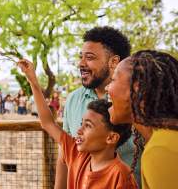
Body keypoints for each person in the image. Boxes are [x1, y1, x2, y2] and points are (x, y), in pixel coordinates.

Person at [18, 59, 137, 188]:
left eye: (88, 126)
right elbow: (47, 123)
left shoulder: (121, 177)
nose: (79, 130)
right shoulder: (77, 153)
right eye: (82, 124)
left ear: (111, 137)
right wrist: (33, 80)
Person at [59, 26, 141, 188]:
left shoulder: (137, 100)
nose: (81, 64)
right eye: (80, 57)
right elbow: (65, 153)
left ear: (114, 62)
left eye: (89, 57)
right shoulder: (73, 100)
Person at [106, 50, 178, 189]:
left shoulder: (160, 151)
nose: (107, 88)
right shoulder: (164, 140)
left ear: (137, 88)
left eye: (113, 80)